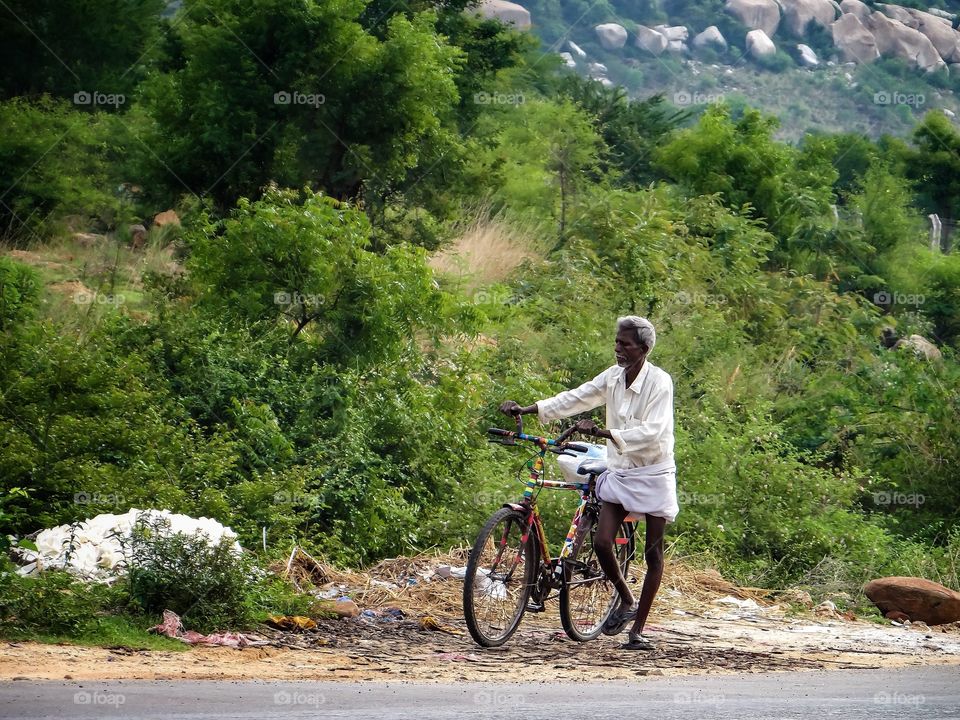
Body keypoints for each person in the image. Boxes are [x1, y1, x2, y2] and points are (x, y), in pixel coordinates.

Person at [499, 316, 677, 651]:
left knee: (654, 553)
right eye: (617, 342)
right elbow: (576, 397)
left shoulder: (660, 383)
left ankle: (637, 631)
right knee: (601, 542)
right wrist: (530, 408)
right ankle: (626, 599)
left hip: (653, 471)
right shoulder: (613, 377)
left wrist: (608, 433)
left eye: (625, 344)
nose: (618, 348)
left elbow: (655, 430)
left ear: (644, 348)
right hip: (621, 469)